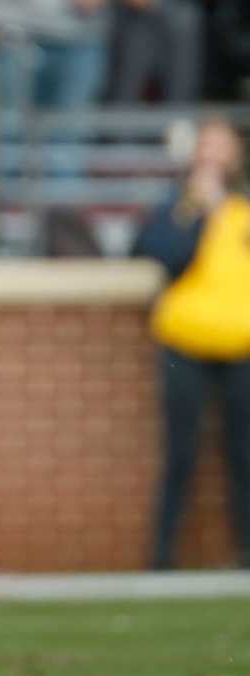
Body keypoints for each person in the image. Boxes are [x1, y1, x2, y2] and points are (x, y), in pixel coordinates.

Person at [135, 118, 250, 570]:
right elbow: (165, 256)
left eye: (225, 147)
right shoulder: (177, 206)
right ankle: (161, 560)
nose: (216, 157)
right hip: (185, 344)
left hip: (242, 349)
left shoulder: (244, 207)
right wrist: (200, 212)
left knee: (243, 455)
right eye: (208, 147)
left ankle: (245, 555)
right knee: (180, 454)